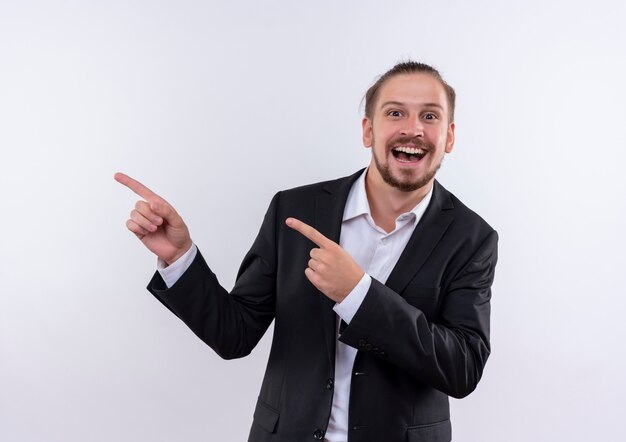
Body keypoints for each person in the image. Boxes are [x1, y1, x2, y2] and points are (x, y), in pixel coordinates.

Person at [115, 61, 498, 442]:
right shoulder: (294, 210)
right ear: (369, 130)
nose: (413, 128)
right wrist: (180, 256)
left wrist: (358, 295)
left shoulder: (472, 238)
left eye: (429, 116)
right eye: (395, 112)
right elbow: (235, 335)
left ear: (448, 137)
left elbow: (462, 368)